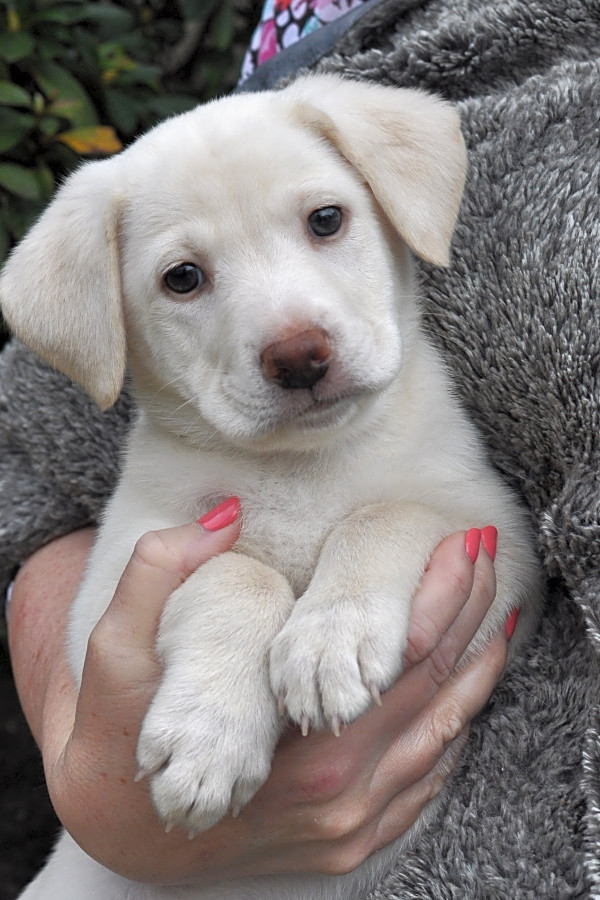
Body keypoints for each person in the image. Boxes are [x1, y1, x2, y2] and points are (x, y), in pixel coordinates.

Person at [2, 0, 599, 896]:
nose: (290, 335)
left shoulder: (419, 418)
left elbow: (499, 570)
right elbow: (102, 648)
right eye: (184, 277)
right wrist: (230, 606)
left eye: (324, 222)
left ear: (391, 194)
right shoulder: (165, 471)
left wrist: (375, 559)